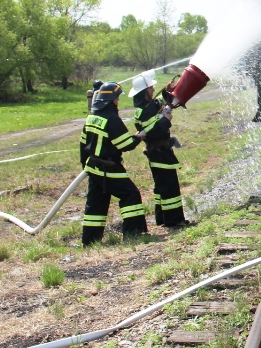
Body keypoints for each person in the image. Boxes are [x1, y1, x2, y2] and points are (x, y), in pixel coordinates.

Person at [79, 82, 148, 246]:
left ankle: (90, 241)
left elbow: (83, 144)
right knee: (130, 194)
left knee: (96, 205)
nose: (118, 101)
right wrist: (139, 137)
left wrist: (85, 166)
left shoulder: (91, 117)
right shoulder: (112, 120)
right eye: (117, 98)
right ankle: (133, 233)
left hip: (93, 167)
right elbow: (125, 144)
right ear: (112, 100)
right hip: (109, 168)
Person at [130, 71, 188, 227]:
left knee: (161, 186)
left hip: (159, 151)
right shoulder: (144, 110)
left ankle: (162, 218)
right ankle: (174, 221)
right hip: (159, 152)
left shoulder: (145, 106)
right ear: (144, 92)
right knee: (169, 186)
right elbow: (153, 130)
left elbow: (157, 106)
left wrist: (165, 91)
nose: (152, 89)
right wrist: (167, 121)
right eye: (150, 88)